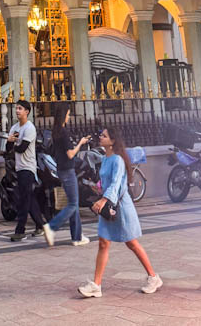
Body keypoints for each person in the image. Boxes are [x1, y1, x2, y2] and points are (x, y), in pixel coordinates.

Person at [77, 125, 161, 299]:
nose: (100, 137)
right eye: (101, 135)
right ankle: (96, 285)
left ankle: (153, 277)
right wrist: (98, 188)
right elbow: (106, 182)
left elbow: (116, 184)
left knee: (132, 243)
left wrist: (103, 200)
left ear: (112, 141)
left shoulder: (117, 160)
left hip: (120, 207)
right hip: (109, 206)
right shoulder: (105, 159)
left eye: (104, 136)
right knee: (103, 243)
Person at [7, 99, 53, 245]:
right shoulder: (15, 127)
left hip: (28, 168)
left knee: (24, 199)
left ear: (27, 111)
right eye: (16, 108)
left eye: (20, 108)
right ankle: (41, 225)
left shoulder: (29, 128)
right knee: (29, 198)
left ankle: (20, 230)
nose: (17, 111)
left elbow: (22, 148)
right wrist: (9, 142)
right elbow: (8, 149)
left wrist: (12, 143)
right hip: (19, 167)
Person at [47, 105, 91, 247]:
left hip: (61, 169)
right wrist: (81, 143)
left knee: (74, 203)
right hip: (67, 169)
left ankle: (76, 236)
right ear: (64, 115)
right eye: (68, 114)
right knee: (72, 204)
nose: (69, 117)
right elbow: (70, 154)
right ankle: (51, 227)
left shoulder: (56, 132)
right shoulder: (63, 132)